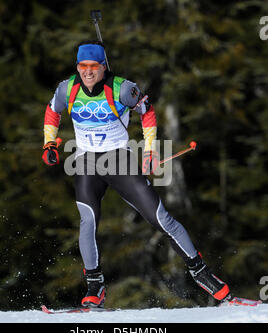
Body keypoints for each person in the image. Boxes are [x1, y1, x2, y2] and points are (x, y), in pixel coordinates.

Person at [42, 40, 231, 308]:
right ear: (77, 67)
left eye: (93, 66)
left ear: (103, 66)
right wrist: (49, 143)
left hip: (118, 161)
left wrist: (150, 151)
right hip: (85, 162)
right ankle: (95, 286)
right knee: (88, 222)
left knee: (160, 218)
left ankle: (202, 274)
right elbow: (52, 112)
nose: (87, 72)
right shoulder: (67, 88)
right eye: (82, 66)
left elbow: (147, 112)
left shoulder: (122, 89)